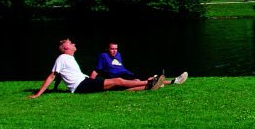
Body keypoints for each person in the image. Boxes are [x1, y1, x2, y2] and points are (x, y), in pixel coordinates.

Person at [29, 39, 165, 98]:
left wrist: (55, 88)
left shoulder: (68, 59)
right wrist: (38, 94)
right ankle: (150, 81)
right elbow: (52, 75)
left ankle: (151, 86)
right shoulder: (62, 58)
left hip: (85, 82)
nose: (74, 44)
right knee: (117, 81)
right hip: (81, 86)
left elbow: (59, 76)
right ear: (66, 48)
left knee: (118, 86)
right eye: (71, 43)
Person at [90, 42, 188, 86]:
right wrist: (89, 82)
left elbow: (121, 67)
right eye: (112, 49)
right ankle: (173, 81)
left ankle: (171, 81)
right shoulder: (103, 56)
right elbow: (96, 70)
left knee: (145, 75)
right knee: (143, 79)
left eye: (116, 48)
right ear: (107, 49)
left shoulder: (118, 55)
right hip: (119, 77)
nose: (114, 51)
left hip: (127, 74)